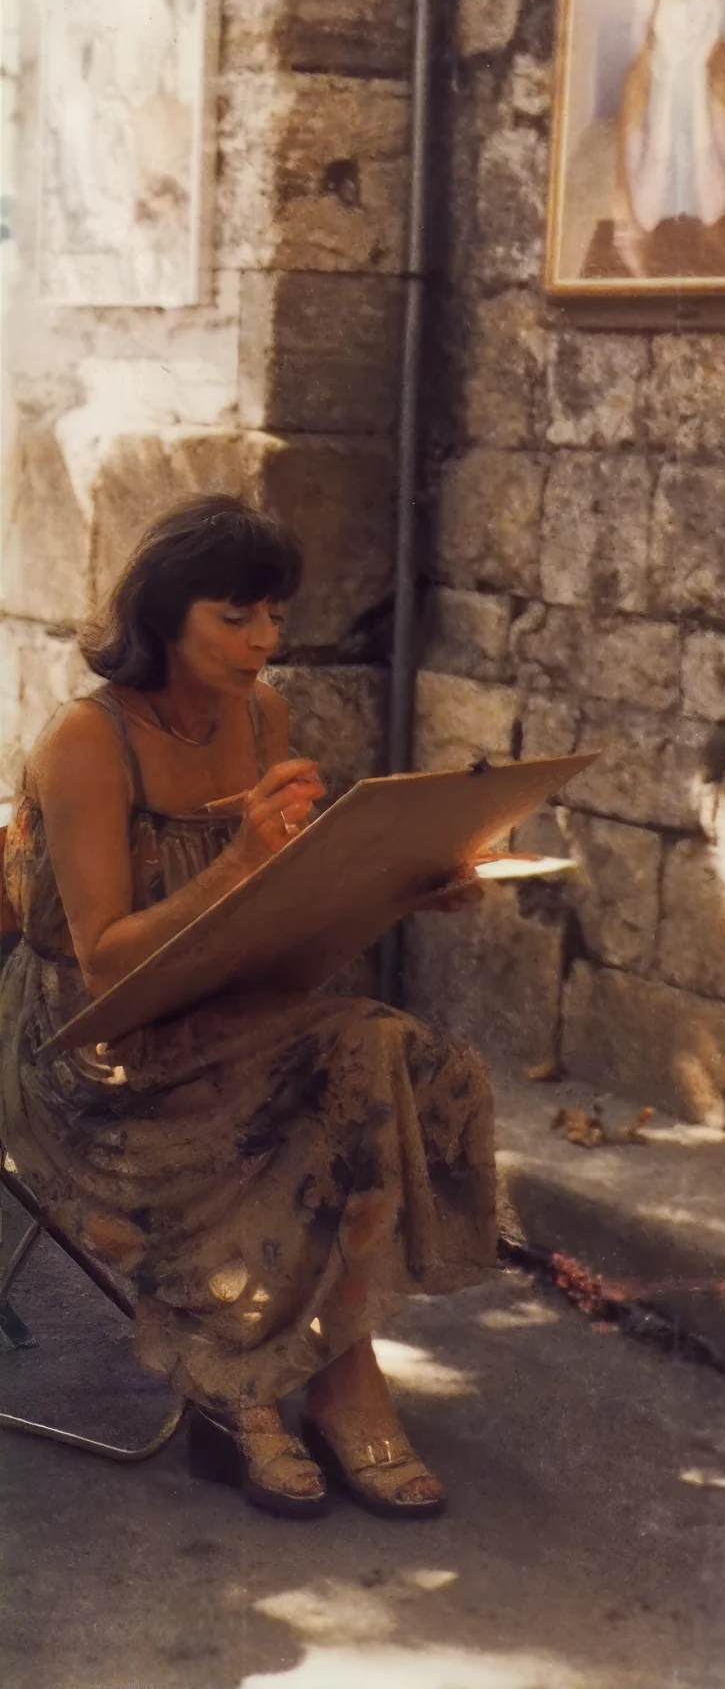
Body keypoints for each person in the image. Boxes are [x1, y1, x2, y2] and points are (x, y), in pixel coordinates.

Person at [0, 496, 498, 1519]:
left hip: (225, 1007)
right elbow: (105, 965)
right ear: (162, 614)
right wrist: (237, 857)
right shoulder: (87, 742)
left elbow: (279, 909)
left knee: (395, 1056)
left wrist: (413, 879)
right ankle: (259, 1388)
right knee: (315, 1092)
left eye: (275, 612)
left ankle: (329, 1369)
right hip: (94, 1054)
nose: (267, 638)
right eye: (237, 614)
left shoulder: (260, 714)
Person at [611, 0, 725, 273]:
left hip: (702, 164)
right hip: (652, 174)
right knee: (649, 208)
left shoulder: (719, 62)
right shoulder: (639, 74)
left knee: (708, 206)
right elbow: (647, 217)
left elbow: (711, 210)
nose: (690, 17)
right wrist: (671, 68)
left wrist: (694, 72)